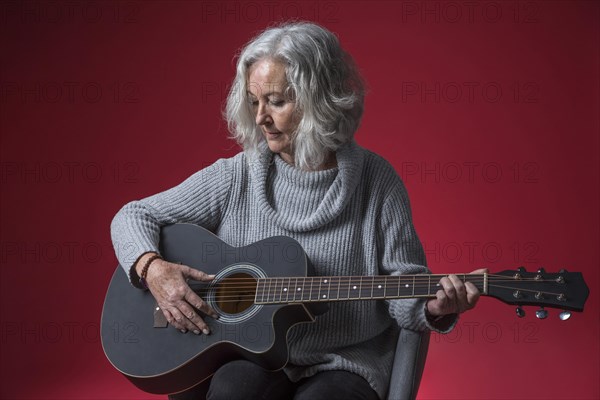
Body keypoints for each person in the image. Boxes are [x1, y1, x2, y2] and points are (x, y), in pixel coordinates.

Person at [111, 21, 484, 400]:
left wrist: (434, 308)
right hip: (249, 355)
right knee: (233, 390)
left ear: (319, 99)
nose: (260, 118)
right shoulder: (236, 176)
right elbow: (132, 216)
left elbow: (406, 292)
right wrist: (152, 269)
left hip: (344, 361)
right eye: (255, 101)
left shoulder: (377, 183)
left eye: (276, 101)